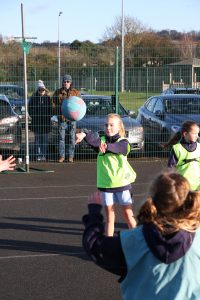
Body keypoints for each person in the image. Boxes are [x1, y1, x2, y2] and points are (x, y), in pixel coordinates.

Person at [82, 171, 200, 299]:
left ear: (153, 199)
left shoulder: (130, 242)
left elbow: (94, 244)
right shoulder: (197, 238)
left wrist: (94, 213)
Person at [76, 113, 137, 236]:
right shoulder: (101, 141)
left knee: (128, 215)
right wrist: (84, 134)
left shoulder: (124, 142)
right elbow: (93, 139)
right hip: (106, 186)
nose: (108, 127)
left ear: (119, 127)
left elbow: (118, 147)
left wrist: (107, 146)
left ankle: (139, 240)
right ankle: (108, 243)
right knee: (110, 217)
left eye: (111, 125)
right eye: (106, 125)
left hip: (122, 185)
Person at [162, 120, 200, 190]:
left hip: (197, 186)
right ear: (185, 134)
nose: (197, 136)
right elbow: (171, 168)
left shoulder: (199, 147)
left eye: (197, 133)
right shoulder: (177, 148)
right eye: (194, 133)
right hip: (182, 186)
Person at [52, 74, 81, 163]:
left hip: (72, 119)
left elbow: (80, 104)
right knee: (61, 138)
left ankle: (71, 156)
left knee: (72, 138)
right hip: (62, 118)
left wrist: (77, 114)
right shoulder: (58, 92)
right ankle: (62, 156)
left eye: (67, 81)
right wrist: (58, 113)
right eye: (64, 81)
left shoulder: (75, 92)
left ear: (70, 83)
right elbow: (53, 104)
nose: (66, 83)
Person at [28, 80, 52, 161]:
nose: (41, 91)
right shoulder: (33, 98)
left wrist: (48, 116)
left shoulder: (48, 98)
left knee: (44, 140)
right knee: (38, 140)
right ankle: (38, 155)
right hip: (36, 122)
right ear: (37, 90)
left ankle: (44, 155)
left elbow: (51, 110)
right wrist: (34, 115)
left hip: (46, 123)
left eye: (43, 89)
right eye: (40, 89)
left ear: (45, 90)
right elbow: (29, 109)